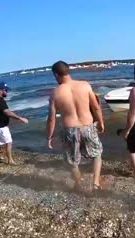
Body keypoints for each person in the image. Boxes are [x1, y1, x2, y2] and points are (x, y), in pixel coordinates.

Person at [46, 61, 105, 191]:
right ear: (68, 71)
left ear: (56, 74)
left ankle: (79, 184)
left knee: (72, 160)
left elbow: (51, 118)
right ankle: (95, 183)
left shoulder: (55, 93)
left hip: (69, 129)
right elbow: (96, 107)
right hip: (87, 126)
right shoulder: (84, 85)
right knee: (97, 154)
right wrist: (101, 122)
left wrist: (49, 136)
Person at [0, 82, 29, 165]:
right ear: (1, 90)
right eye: (6, 90)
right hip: (0, 126)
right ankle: (10, 160)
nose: (7, 92)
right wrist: (20, 118)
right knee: (9, 142)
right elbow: (7, 112)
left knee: (1, 143)